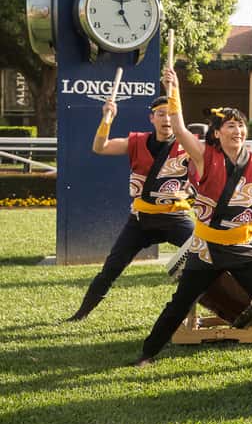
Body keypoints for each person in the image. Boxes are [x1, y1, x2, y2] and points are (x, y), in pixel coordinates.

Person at [134, 68, 252, 366]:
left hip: (245, 248)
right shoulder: (205, 157)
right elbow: (179, 129)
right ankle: (148, 353)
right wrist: (174, 88)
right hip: (206, 249)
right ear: (217, 132)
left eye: (241, 125)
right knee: (180, 303)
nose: (238, 131)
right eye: (230, 126)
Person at [66, 96, 196, 321]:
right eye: (160, 114)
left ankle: (203, 311)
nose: (166, 119)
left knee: (206, 258)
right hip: (141, 220)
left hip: (176, 217)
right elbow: (100, 147)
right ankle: (81, 313)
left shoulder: (188, 144)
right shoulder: (136, 141)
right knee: (111, 268)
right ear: (152, 118)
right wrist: (107, 118)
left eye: (169, 113)